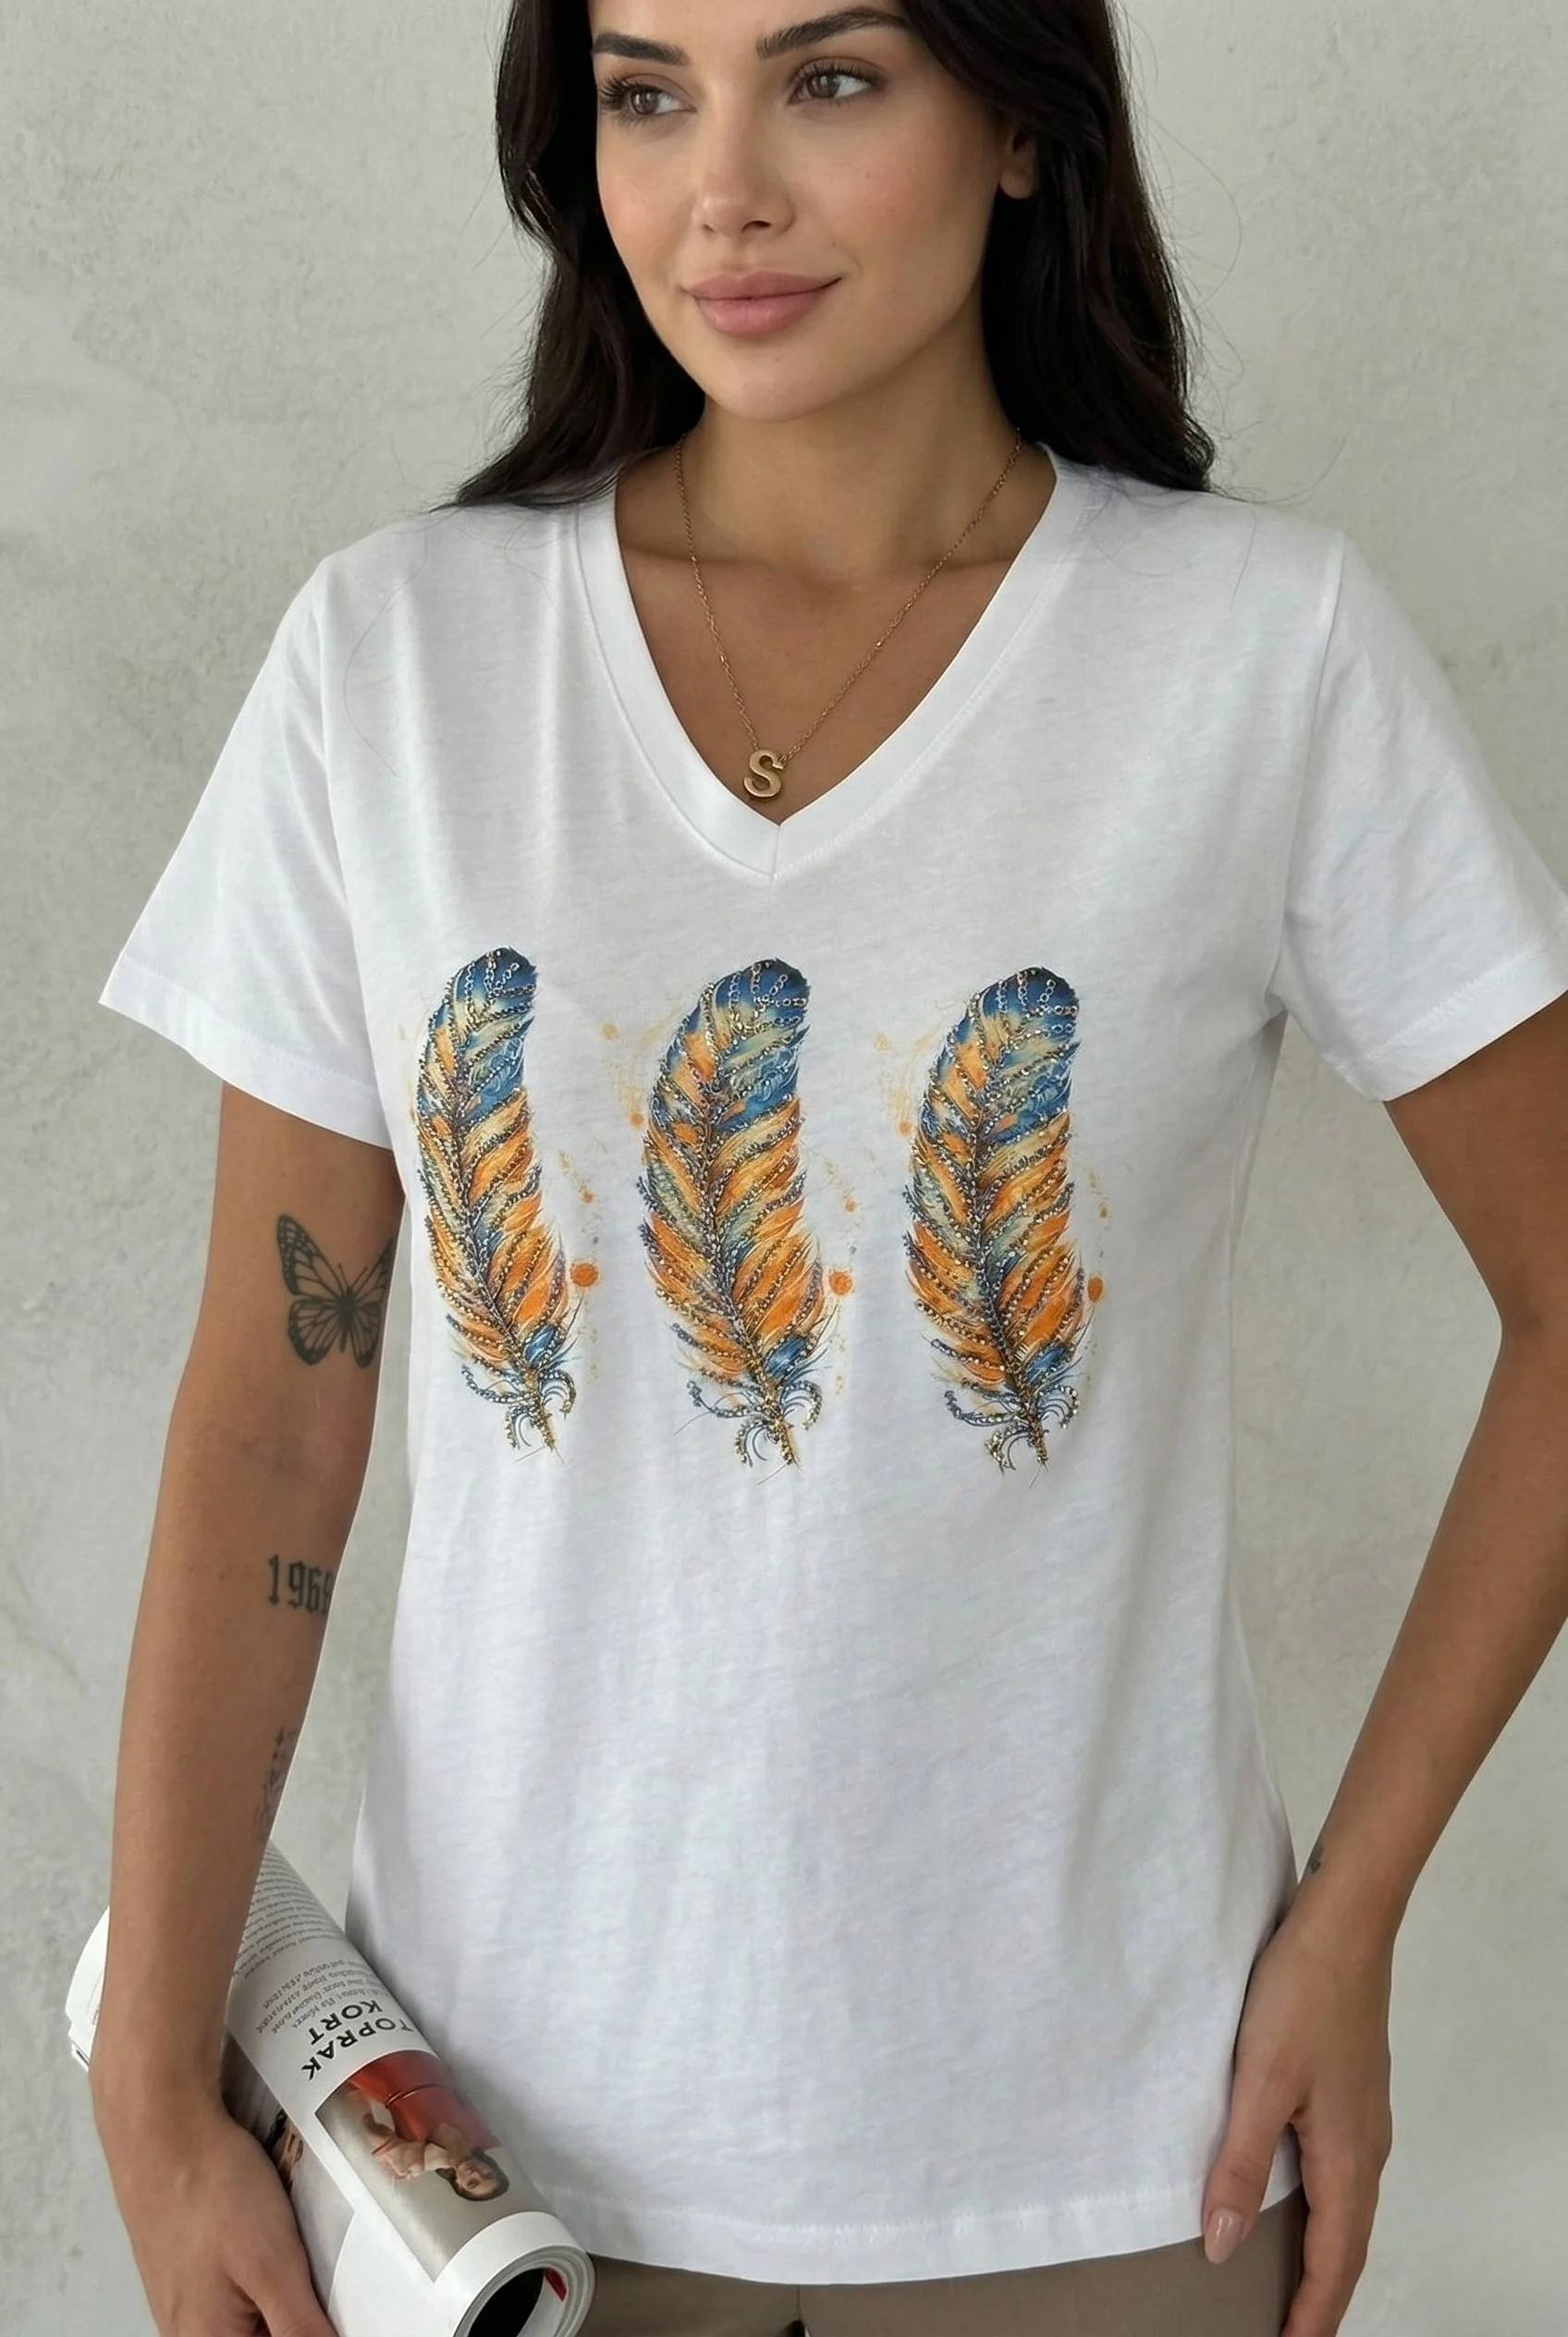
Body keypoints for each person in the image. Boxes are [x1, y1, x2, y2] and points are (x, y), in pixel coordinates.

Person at [84, 3, 1568, 2335]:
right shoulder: (397, 661)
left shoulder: (1252, 652)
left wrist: (1351, 1910)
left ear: (1017, 126)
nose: (724, 193)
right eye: (645, 92)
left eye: (833, 78)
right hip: (492, 2195)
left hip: (1110, 2169)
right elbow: (273, 1413)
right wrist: (155, 2086)